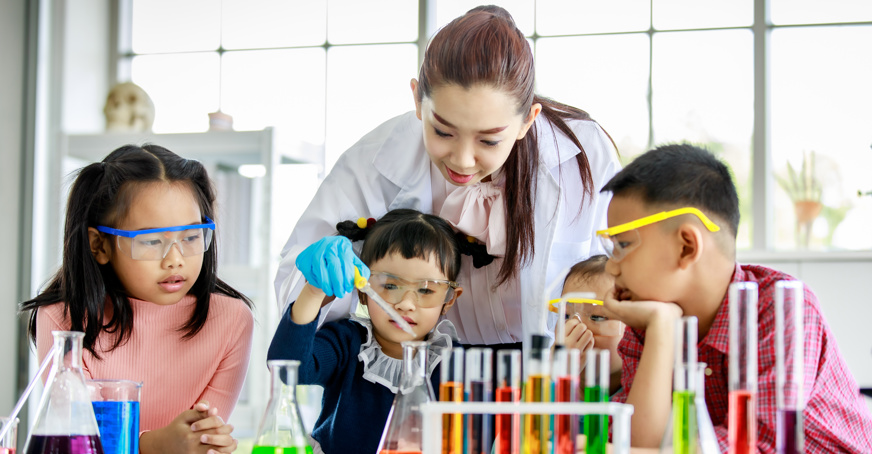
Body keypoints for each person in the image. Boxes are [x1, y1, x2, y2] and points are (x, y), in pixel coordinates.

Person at [274, 5, 620, 352]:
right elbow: (295, 298)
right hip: (430, 364)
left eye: (488, 140)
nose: (462, 160)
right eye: (442, 131)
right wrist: (318, 280)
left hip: (551, 368)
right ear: (417, 100)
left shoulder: (583, 155)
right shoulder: (373, 161)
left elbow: (621, 276)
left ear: (528, 120)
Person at [598, 143, 872, 451]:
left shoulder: (781, 307)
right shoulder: (648, 314)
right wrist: (662, 325)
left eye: (622, 244)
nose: (611, 266)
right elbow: (641, 444)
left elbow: (761, 447)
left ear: (687, 246)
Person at [21, 144, 254, 454]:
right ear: (99, 245)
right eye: (151, 241)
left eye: (191, 236)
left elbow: (200, 438)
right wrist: (156, 445)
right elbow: (81, 444)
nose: (175, 260)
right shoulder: (62, 321)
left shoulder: (230, 320)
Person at [268, 209, 463, 454]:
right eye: (390, 285)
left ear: (449, 299)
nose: (406, 304)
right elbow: (289, 368)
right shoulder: (347, 343)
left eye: (425, 290)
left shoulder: (459, 363)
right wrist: (314, 291)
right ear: (363, 290)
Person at [559, 254, 624, 395]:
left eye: (597, 317)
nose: (576, 327)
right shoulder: (547, 386)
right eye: (566, 316)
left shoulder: (642, 391)